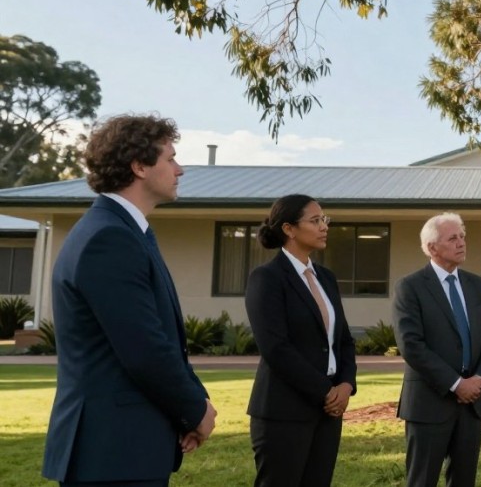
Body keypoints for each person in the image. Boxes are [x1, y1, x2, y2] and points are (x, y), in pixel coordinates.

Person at [42, 114, 216, 486]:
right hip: (111, 453)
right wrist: (194, 410)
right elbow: (143, 348)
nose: (179, 169)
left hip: (125, 448)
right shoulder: (109, 239)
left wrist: (191, 408)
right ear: (139, 166)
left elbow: (164, 339)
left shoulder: (125, 232)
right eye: (170, 158)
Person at [245, 194, 357, 487]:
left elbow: (343, 339)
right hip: (283, 412)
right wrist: (326, 391)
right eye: (315, 220)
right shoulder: (267, 278)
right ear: (289, 229)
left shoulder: (326, 278)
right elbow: (275, 347)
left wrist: (345, 385)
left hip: (328, 413)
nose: (324, 226)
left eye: (325, 219)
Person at [392, 212, 481, 487]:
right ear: (432, 248)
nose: (461, 242)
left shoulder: (476, 285)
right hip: (429, 403)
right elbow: (411, 345)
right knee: (422, 480)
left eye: (463, 236)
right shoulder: (410, 287)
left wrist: (480, 379)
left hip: (472, 404)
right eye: (453, 238)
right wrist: (455, 384)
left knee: (464, 480)